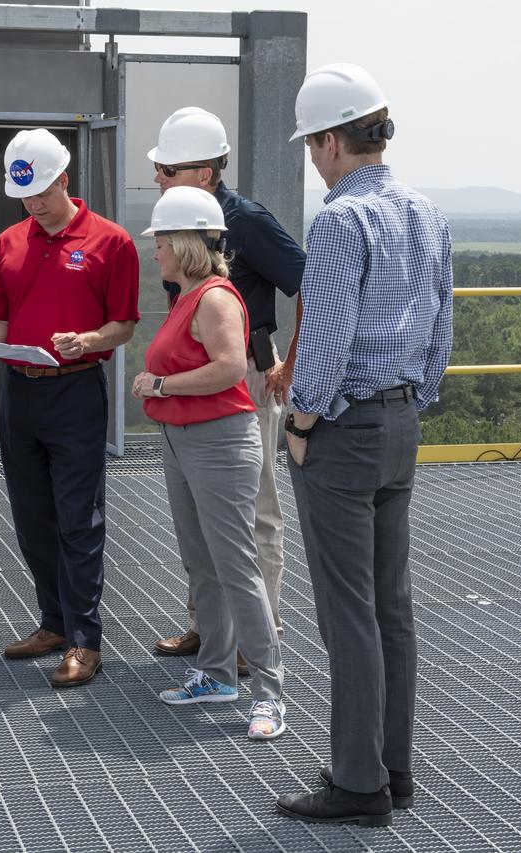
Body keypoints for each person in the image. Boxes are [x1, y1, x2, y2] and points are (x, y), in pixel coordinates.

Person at [275, 64, 452, 824]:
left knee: (347, 613)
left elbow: (327, 336)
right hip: (403, 421)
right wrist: (417, 399)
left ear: (330, 141)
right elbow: (443, 323)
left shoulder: (342, 221)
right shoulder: (425, 212)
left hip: (344, 430)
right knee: (392, 609)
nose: (314, 159)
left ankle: (358, 784)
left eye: (314, 144)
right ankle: (393, 768)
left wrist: (301, 423)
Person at [0, 128, 139, 688]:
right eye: (25, 197)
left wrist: (86, 341)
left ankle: (86, 640)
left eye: (41, 193)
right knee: (32, 515)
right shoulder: (9, 241)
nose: (34, 205)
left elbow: (125, 324)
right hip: (19, 392)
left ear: (65, 179)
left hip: (76, 391)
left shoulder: (113, 242)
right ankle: (54, 621)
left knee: (78, 519)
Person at [146, 108, 306, 667]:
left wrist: (287, 365)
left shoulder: (247, 221)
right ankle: (210, 627)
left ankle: (257, 637)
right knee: (198, 513)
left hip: (247, 379)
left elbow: (308, 282)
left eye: (169, 169)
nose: (160, 178)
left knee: (255, 510)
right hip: (196, 382)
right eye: (160, 169)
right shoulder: (183, 220)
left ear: (207, 173)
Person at [132, 186, 286, 740]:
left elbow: (227, 369)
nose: (156, 253)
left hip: (218, 442)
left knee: (236, 566)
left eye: (161, 244)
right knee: (204, 564)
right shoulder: (190, 296)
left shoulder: (216, 298)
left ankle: (269, 690)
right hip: (183, 440)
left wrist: (160, 384)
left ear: (184, 243)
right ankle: (218, 673)